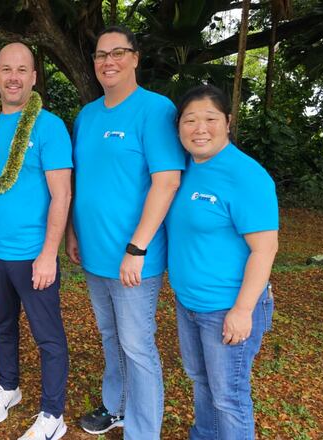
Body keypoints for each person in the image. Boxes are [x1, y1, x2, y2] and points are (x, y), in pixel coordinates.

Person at [66, 25, 185, 439]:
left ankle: (144, 430)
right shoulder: (87, 115)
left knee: (137, 344)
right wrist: (72, 233)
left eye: (118, 53)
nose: (108, 61)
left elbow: (167, 180)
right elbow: (82, 180)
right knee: (110, 336)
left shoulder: (156, 110)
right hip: (94, 253)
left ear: (135, 58)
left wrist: (137, 247)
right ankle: (116, 406)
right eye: (101, 55)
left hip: (134, 258)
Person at [166, 84, 277, 440]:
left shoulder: (246, 175)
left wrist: (243, 310)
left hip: (228, 306)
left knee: (229, 396)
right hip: (189, 303)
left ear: (227, 122)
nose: (200, 128)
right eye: (190, 120)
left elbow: (265, 249)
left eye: (210, 119)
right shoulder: (181, 169)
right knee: (202, 382)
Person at [0, 42, 72, 440]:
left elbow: (62, 193)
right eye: (6, 69)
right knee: (3, 324)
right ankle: (9, 387)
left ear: (33, 78)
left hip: (34, 253)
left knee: (48, 336)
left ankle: (53, 414)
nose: (13, 77)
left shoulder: (48, 126)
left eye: (22, 70)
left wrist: (49, 253)